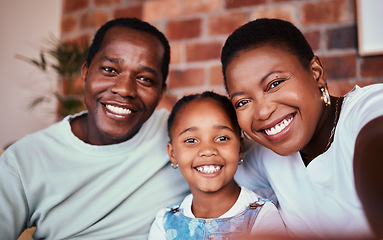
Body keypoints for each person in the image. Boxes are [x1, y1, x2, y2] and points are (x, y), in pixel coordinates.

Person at [0, 18, 189, 239]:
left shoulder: (183, 135)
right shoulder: (23, 161)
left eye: (145, 79)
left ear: (161, 91)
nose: (125, 89)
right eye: (110, 70)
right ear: (85, 72)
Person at [221, 18, 383, 239]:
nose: (262, 112)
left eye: (275, 84)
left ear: (316, 73)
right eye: (242, 102)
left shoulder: (369, 109)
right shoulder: (266, 157)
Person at [148, 91, 287, 239]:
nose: (208, 150)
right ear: (173, 154)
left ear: (239, 148)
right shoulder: (164, 223)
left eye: (222, 138)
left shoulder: (262, 216)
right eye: (191, 141)